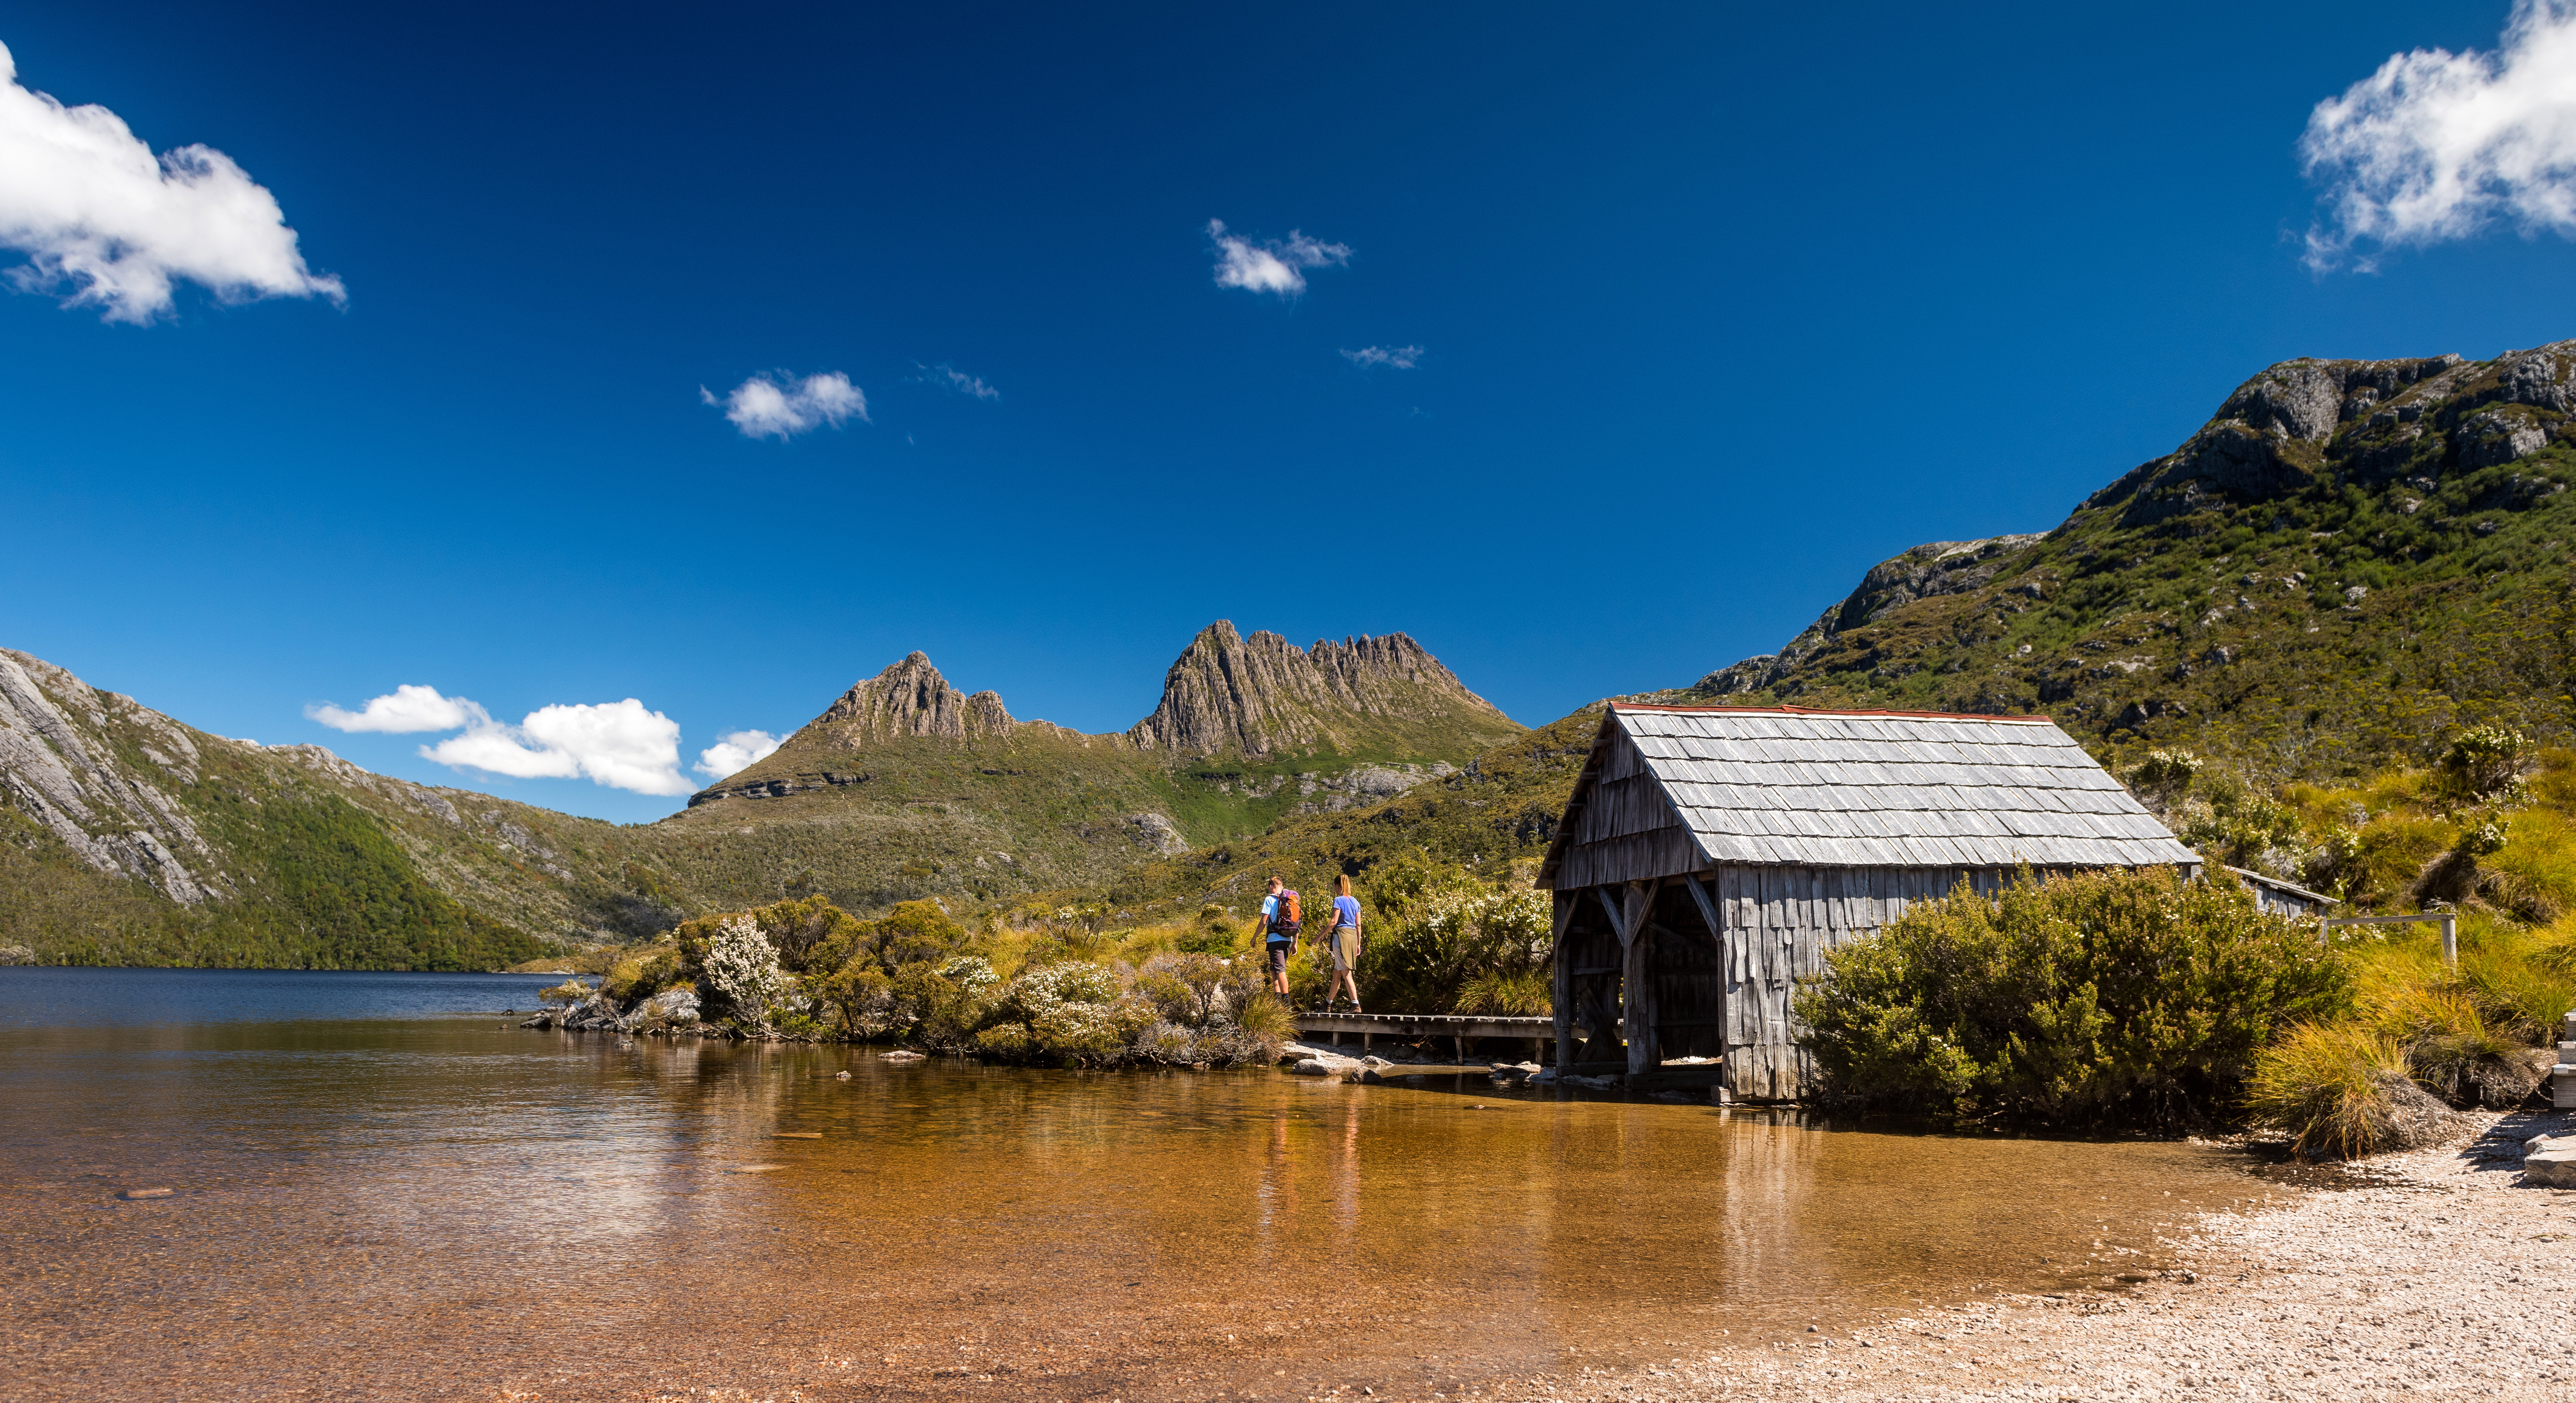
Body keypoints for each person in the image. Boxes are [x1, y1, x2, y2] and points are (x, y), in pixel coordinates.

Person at [1253, 874, 1301, 998]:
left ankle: (1287, 1005)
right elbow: (1297, 924)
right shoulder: (1290, 900)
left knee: (1280, 971)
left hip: (1275, 940)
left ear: (1270, 887)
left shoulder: (1270, 899)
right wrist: (1295, 943)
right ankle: (1278, 999)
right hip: (1288, 939)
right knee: (1274, 969)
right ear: (1282, 887)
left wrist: (1254, 938)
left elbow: (1264, 922)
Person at [1324, 873, 1362, 1013]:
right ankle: (1328, 1004)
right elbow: (1358, 924)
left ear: (1337, 886)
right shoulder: (1356, 902)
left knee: (1346, 973)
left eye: (1335, 887)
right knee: (1337, 973)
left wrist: (1318, 937)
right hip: (1352, 938)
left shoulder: (1338, 900)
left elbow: (1334, 922)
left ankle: (1356, 1005)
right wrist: (1359, 943)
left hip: (1341, 937)